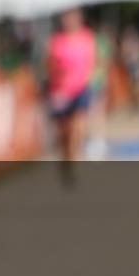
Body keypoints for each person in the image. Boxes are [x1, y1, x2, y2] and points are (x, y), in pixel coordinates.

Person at [45, 8, 95, 163]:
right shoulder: (57, 41)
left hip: (80, 89)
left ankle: (75, 158)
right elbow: (49, 66)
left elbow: (91, 63)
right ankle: (67, 159)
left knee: (78, 128)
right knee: (63, 134)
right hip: (60, 92)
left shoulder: (86, 37)